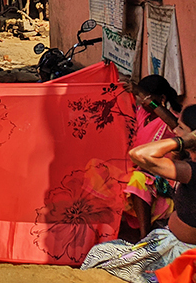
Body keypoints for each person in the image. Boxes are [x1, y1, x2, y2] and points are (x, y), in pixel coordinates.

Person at [81, 105, 196, 282]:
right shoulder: (189, 164)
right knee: (100, 253)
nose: (175, 131)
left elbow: (139, 154)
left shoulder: (191, 171)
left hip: (180, 254)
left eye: (181, 128)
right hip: (167, 242)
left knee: (104, 260)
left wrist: (182, 142)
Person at [125, 76, 183, 238]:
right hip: (138, 167)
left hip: (162, 176)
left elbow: (175, 125)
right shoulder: (143, 113)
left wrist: (144, 96)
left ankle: (144, 236)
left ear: (162, 99)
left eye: (146, 99)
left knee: (137, 179)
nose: (142, 102)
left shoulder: (171, 119)